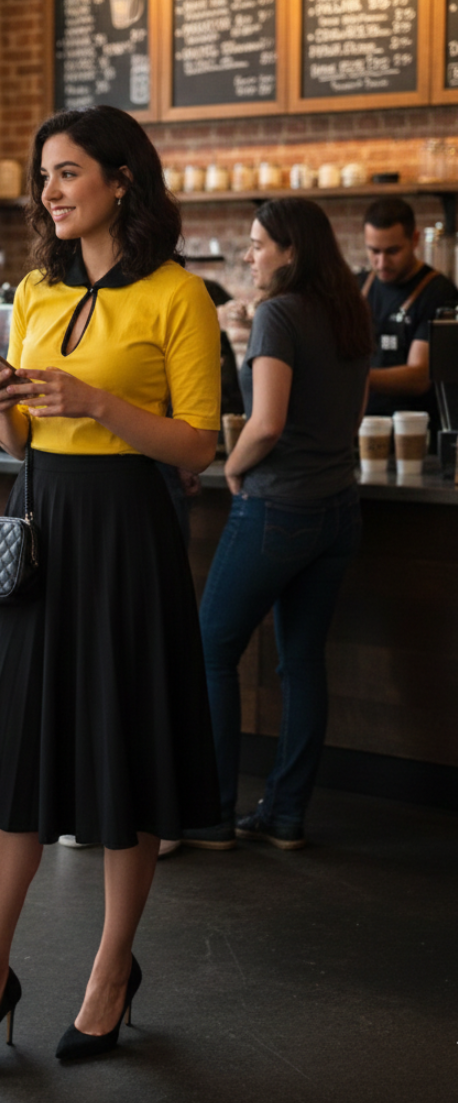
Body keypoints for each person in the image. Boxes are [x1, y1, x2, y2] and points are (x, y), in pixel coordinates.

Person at [0, 105, 222, 1080]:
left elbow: (196, 444)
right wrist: (7, 403)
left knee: (123, 756)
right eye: (43, 176)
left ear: (121, 178)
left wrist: (97, 401)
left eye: (66, 172)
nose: (49, 191)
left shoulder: (181, 295)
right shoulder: (35, 289)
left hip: (130, 530)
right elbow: (18, 445)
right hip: (43, 521)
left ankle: (108, 972)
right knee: (12, 765)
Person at [193, 198, 373, 853]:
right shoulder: (349, 310)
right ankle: (285, 815)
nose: (249, 254)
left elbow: (265, 422)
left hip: (278, 508)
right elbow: (351, 417)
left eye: (258, 243)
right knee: (301, 663)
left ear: (291, 249)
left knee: (211, 649)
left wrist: (234, 470)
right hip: (337, 509)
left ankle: (211, 815)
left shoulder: (279, 313)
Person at [361, 198, 458, 435]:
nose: (381, 263)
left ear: (414, 240)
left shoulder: (438, 292)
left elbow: (419, 375)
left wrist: (354, 377)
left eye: (392, 251)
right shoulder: (358, 286)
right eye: (374, 251)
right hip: (365, 428)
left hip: (415, 433)